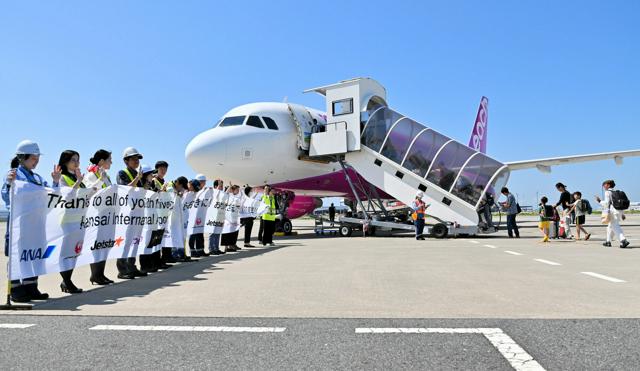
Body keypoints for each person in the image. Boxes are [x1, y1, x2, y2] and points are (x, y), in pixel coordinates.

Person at [1, 140, 55, 302]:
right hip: (20, 225)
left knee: (34, 255)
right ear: (23, 157)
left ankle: (31, 287)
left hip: (36, 224)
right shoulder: (14, 175)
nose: (37, 160)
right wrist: (10, 183)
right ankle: (16, 289)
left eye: (38, 157)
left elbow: (50, 194)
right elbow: (6, 197)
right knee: (18, 256)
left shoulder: (38, 177)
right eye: (34, 157)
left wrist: (56, 181)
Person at [83, 149, 115, 285]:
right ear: (101, 161)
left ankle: (101, 273)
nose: (111, 162)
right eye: (109, 160)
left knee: (105, 244)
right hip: (97, 216)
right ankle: (95, 275)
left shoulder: (105, 175)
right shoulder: (91, 174)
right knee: (97, 245)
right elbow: (90, 191)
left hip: (107, 215)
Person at [115, 147, 146, 279]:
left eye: (137, 159)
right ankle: (122, 270)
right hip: (127, 213)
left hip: (138, 212)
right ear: (126, 160)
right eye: (133, 159)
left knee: (135, 240)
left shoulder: (138, 175)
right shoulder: (122, 173)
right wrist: (138, 178)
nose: (136, 161)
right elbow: (124, 189)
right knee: (126, 241)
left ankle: (132, 266)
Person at [57, 150, 85, 294]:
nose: (76, 163)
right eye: (73, 159)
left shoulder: (77, 177)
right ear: (66, 161)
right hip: (67, 220)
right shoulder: (62, 177)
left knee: (75, 252)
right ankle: (67, 282)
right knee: (67, 252)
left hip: (79, 220)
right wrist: (79, 182)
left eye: (78, 160)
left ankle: (66, 281)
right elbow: (66, 196)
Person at [595, 180, 630, 248]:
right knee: (610, 227)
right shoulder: (616, 192)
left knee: (615, 227)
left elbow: (606, 203)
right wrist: (622, 214)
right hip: (618, 211)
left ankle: (623, 240)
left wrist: (599, 201)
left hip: (613, 212)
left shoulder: (607, 192)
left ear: (608, 185)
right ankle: (608, 241)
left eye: (604, 185)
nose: (603, 186)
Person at [187, 179, 206, 257]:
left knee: (199, 233)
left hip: (198, 217)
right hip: (191, 217)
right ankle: (192, 250)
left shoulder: (198, 194)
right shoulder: (187, 194)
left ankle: (200, 250)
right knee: (192, 234)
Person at [221, 185, 241, 252]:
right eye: (237, 189)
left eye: (238, 190)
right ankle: (226, 247)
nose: (238, 191)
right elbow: (225, 194)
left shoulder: (237, 197)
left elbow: (239, 206)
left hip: (235, 218)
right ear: (233, 190)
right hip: (227, 218)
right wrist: (229, 187)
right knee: (227, 232)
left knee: (233, 232)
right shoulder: (228, 196)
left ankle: (231, 246)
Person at [208, 179, 223, 255]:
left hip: (219, 215)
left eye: (222, 186)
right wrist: (218, 186)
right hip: (213, 215)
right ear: (215, 186)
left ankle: (216, 248)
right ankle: (211, 249)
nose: (221, 187)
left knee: (217, 232)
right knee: (212, 233)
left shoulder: (221, 194)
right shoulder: (212, 193)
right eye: (220, 186)